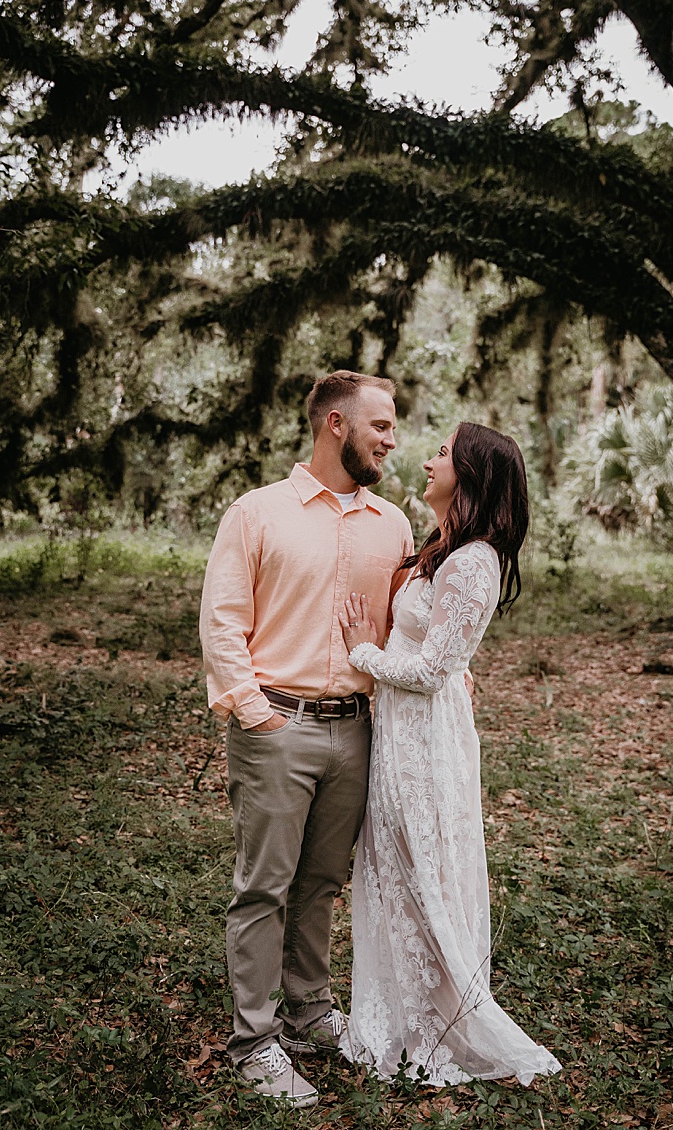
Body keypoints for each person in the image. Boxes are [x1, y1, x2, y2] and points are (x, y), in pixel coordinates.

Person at [198, 370, 415, 1109]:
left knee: (322, 883)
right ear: (334, 425)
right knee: (263, 885)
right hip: (276, 726)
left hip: (357, 730)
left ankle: (310, 1013)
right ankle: (254, 1041)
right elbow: (223, 618)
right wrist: (256, 712)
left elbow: (403, 627)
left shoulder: (394, 524)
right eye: (380, 425)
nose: (392, 439)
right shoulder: (257, 513)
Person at [337, 422, 561, 1086]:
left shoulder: (473, 560)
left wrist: (361, 652)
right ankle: (400, 1011)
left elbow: (434, 668)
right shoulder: (444, 547)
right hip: (402, 731)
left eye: (442, 453)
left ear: (471, 475)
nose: (429, 460)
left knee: (421, 869)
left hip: (425, 740)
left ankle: (434, 1023)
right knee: (395, 868)